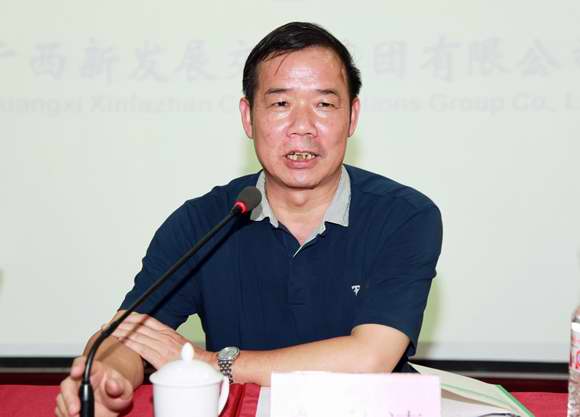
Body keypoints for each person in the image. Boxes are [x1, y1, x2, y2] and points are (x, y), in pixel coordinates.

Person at [55, 21, 443, 417]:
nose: (303, 126)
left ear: (352, 116)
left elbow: (370, 358)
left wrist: (211, 363)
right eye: (280, 104)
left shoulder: (404, 216)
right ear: (248, 116)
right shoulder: (206, 222)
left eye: (324, 105)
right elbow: (129, 335)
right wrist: (107, 378)